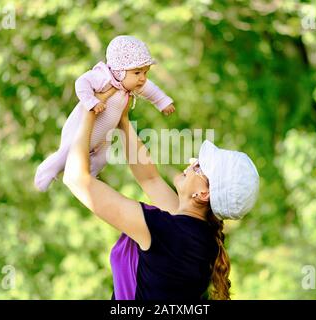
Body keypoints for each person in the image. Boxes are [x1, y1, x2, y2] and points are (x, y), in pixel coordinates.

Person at [62, 90, 259, 300]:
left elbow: (75, 178)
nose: (192, 161)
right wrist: (123, 121)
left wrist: (88, 110)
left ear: (203, 194)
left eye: (200, 166)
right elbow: (150, 179)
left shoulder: (167, 232)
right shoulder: (200, 237)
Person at [34, 35, 175, 192]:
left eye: (145, 73)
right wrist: (91, 102)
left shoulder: (132, 84)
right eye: (137, 72)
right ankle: (45, 172)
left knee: (102, 160)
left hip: (103, 138)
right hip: (79, 129)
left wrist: (163, 102)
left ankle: (88, 181)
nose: (142, 78)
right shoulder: (103, 77)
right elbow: (81, 82)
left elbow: (152, 90)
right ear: (119, 71)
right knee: (66, 153)